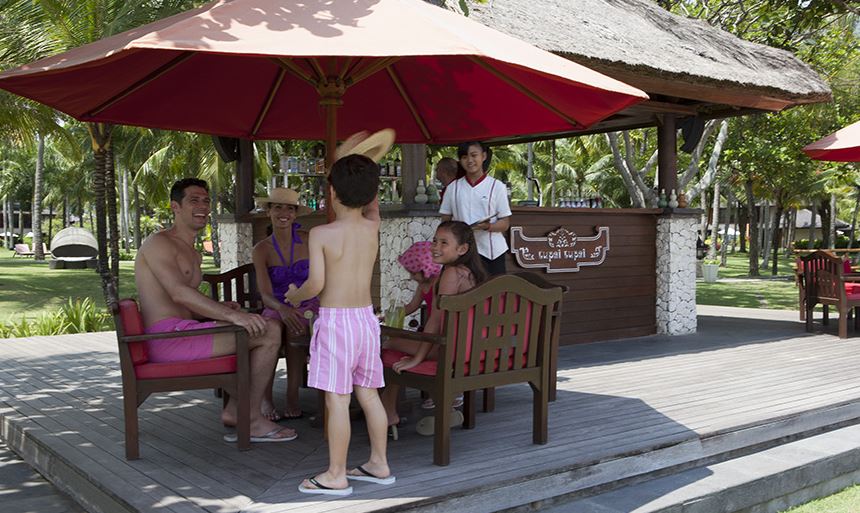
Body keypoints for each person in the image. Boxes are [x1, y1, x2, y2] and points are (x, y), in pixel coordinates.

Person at [135, 178, 296, 443]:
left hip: (184, 333)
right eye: (194, 200)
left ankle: (236, 409)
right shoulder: (159, 243)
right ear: (175, 207)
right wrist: (232, 315)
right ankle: (251, 418)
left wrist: (219, 308)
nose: (202, 206)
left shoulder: (192, 251)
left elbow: (179, 302)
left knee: (260, 325)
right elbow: (178, 292)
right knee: (269, 331)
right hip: (166, 340)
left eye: (206, 201)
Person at [285, 152, 394, 496]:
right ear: (371, 194)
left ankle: (336, 474)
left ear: (331, 192)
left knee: (336, 401)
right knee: (369, 395)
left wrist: (293, 296)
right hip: (366, 320)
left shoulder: (321, 234)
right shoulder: (373, 226)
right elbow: (373, 206)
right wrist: (368, 184)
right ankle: (379, 463)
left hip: (336, 324)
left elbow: (315, 285)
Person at [380, 221, 487, 435]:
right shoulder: (468, 272)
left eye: (444, 243)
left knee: (388, 344)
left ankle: (388, 411)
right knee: (395, 348)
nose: (436, 247)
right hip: (467, 346)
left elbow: (435, 320)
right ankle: (434, 408)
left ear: (462, 249)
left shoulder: (451, 274)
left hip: (450, 348)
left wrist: (417, 358)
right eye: (435, 241)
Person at [252, 187, 319, 421]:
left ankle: (292, 396)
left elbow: (320, 280)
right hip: (276, 304)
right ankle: (265, 397)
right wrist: (283, 308)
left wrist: (299, 305)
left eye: (290, 208)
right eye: (278, 207)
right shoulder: (261, 249)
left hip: (309, 303)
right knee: (272, 325)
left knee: (297, 323)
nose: (284, 213)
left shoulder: (310, 240)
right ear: (268, 211)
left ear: (296, 213)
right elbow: (265, 293)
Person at [439, 141, 512, 276]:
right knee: (461, 293)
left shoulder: (497, 187)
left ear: (483, 156)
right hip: (461, 253)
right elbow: (445, 221)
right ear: (460, 161)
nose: (470, 160)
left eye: (474, 155)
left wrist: (487, 226)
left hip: (492, 253)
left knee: (493, 294)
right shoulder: (452, 188)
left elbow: (505, 223)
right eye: (465, 157)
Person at [396, 240, 441, 325]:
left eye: (413, 273)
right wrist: (388, 316)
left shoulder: (439, 283)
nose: (411, 277)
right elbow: (412, 306)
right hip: (432, 325)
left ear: (425, 269)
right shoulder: (422, 286)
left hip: (439, 327)